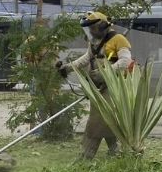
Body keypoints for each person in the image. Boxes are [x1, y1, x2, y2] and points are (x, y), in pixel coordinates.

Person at [57, 11, 133, 159]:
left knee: (97, 119)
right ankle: (115, 151)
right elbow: (87, 58)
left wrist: (106, 73)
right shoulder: (94, 42)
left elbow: (125, 61)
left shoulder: (119, 39)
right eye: (88, 28)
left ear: (102, 25)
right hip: (97, 85)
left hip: (114, 87)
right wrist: (68, 67)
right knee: (107, 119)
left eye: (93, 28)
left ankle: (87, 155)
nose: (90, 31)